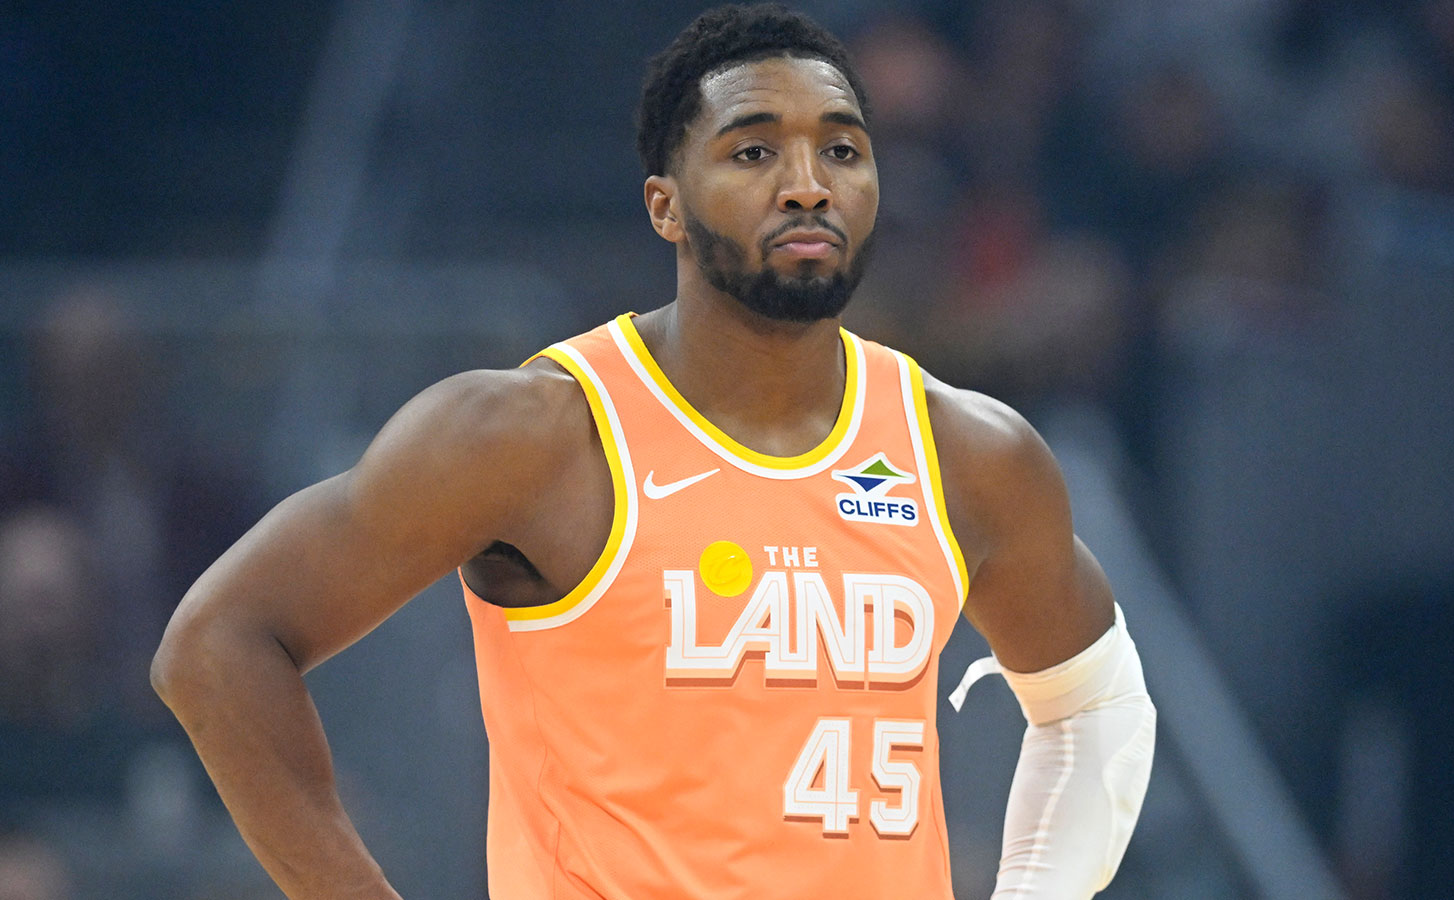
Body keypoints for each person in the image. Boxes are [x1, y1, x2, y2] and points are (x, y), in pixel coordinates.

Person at [151, 5, 1156, 898]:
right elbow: (217, 646)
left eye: (841, 151)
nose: (807, 185)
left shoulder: (964, 450)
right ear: (664, 204)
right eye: (754, 152)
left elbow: (1096, 707)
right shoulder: (533, 434)